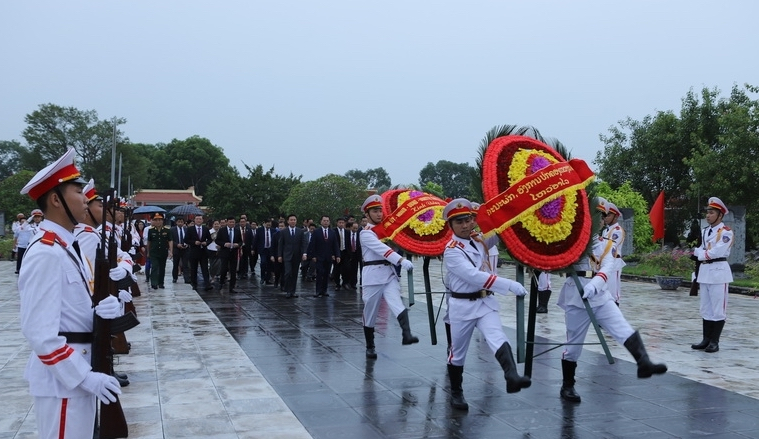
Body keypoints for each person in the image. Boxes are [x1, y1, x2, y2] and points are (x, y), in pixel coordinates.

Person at [18, 148, 122, 438]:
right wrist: (84, 377)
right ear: (56, 200)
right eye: (78, 191)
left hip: (75, 373)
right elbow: (39, 332)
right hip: (64, 381)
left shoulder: (65, 246)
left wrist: (98, 311)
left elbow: (68, 308)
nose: (85, 199)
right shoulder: (46, 253)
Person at [557, 198, 667, 404]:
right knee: (573, 345)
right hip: (576, 295)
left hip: (599, 294)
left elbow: (608, 266)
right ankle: (568, 385)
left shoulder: (607, 244)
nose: (598, 220)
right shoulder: (572, 242)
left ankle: (644, 362)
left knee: (622, 327)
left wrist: (595, 284)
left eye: (601, 216)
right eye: (594, 215)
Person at [442, 198, 531, 410]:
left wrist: (514, 213)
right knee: (458, 353)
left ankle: (512, 376)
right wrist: (508, 284)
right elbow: (472, 276)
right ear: (451, 225)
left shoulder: (477, 240)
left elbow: (498, 234)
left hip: (485, 302)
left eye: (468, 220)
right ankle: (456, 392)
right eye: (459, 222)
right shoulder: (452, 250)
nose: (464, 225)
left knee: (497, 336)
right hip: (462, 306)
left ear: (473, 220)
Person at [359, 195, 418, 359]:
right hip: (373, 275)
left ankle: (407, 334)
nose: (379, 214)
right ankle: (370, 345)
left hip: (389, 274)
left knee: (397, 304)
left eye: (380, 210)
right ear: (367, 214)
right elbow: (382, 250)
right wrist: (400, 260)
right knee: (370, 312)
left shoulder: (387, 230)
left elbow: (401, 242)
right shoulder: (366, 234)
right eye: (375, 211)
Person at [691, 196, 734, 353]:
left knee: (718, 309)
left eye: (711, 212)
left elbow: (717, 252)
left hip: (718, 272)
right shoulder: (705, 231)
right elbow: (704, 249)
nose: (708, 215)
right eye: (707, 212)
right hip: (705, 271)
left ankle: (715, 341)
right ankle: (706, 339)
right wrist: (700, 254)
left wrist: (699, 253)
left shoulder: (726, 233)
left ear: (720, 215)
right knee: (706, 308)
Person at [600, 201, 626, 305]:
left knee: (613, 291)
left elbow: (610, 246)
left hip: (614, 263)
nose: (605, 217)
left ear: (615, 217)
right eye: (604, 215)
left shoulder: (617, 230)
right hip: (606, 263)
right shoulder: (606, 230)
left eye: (608, 215)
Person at [308, 215, 340, 297]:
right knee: (319, 274)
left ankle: (324, 290)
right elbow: (312, 244)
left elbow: (335, 245)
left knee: (326, 274)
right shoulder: (316, 232)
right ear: (321, 222)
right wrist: (313, 256)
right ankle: (318, 291)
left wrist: (337, 255)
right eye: (324, 220)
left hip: (328, 257)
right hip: (319, 257)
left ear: (329, 222)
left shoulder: (332, 232)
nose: (326, 222)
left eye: (327, 221)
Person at [277, 214, 309, 298]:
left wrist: (304, 253)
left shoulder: (300, 231)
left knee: (295, 274)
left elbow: (303, 243)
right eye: (291, 220)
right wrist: (279, 255)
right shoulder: (283, 231)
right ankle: (287, 290)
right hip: (287, 256)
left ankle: (293, 291)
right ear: (288, 221)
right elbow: (281, 244)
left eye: (294, 220)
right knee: (288, 273)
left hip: (297, 255)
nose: (293, 221)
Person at [186, 214, 213, 291]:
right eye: (197, 219)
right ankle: (194, 284)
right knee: (193, 269)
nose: (198, 220)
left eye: (200, 219)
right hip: (194, 251)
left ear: (202, 220)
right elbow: (186, 240)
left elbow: (210, 239)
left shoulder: (205, 229)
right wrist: (194, 242)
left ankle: (207, 284)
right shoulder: (190, 229)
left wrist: (206, 243)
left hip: (203, 251)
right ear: (194, 220)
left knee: (205, 268)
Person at [215, 216, 242, 294]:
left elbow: (240, 241)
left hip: (233, 252)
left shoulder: (237, 231)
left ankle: (232, 287)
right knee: (224, 268)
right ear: (227, 222)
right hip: (224, 252)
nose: (231, 224)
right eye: (230, 222)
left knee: (233, 271)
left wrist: (238, 245)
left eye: (233, 222)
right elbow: (217, 241)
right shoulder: (222, 230)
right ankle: (221, 283)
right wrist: (224, 244)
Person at [146, 213, 173, 289]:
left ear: (162, 221)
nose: (158, 222)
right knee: (154, 267)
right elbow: (149, 242)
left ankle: (161, 283)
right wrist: (148, 252)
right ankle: (154, 283)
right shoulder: (151, 230)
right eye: (156, 220)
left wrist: (171, 251)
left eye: (160, 220)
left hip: (163, 252)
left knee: (162, 267)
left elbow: (170, 241)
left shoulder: (167, 230)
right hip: (154, 252)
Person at [170, 217, 190, 284]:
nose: (180, 223)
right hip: (176, 249)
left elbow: (189, 238)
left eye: (182, 222)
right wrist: (177, 245)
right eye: (179, 222)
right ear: (176, 222)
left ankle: (186, 278)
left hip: (185, 249)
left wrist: (187, 244)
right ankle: (175, 278)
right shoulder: (172, 230)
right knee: (175, 264)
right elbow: (171, 240)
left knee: (185, 264)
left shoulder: (186, 229)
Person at [256, 219, 275, 285]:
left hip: (270, 250)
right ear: (264, 223)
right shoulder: (259, 230)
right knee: (263, 263)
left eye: (270, 224)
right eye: (267, 223)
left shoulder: (273, 230)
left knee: (270, 264)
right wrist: (253, 249)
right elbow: (256, 239)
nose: (268, 225)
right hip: (263, 249)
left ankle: (268, 279)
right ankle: (262, 277)